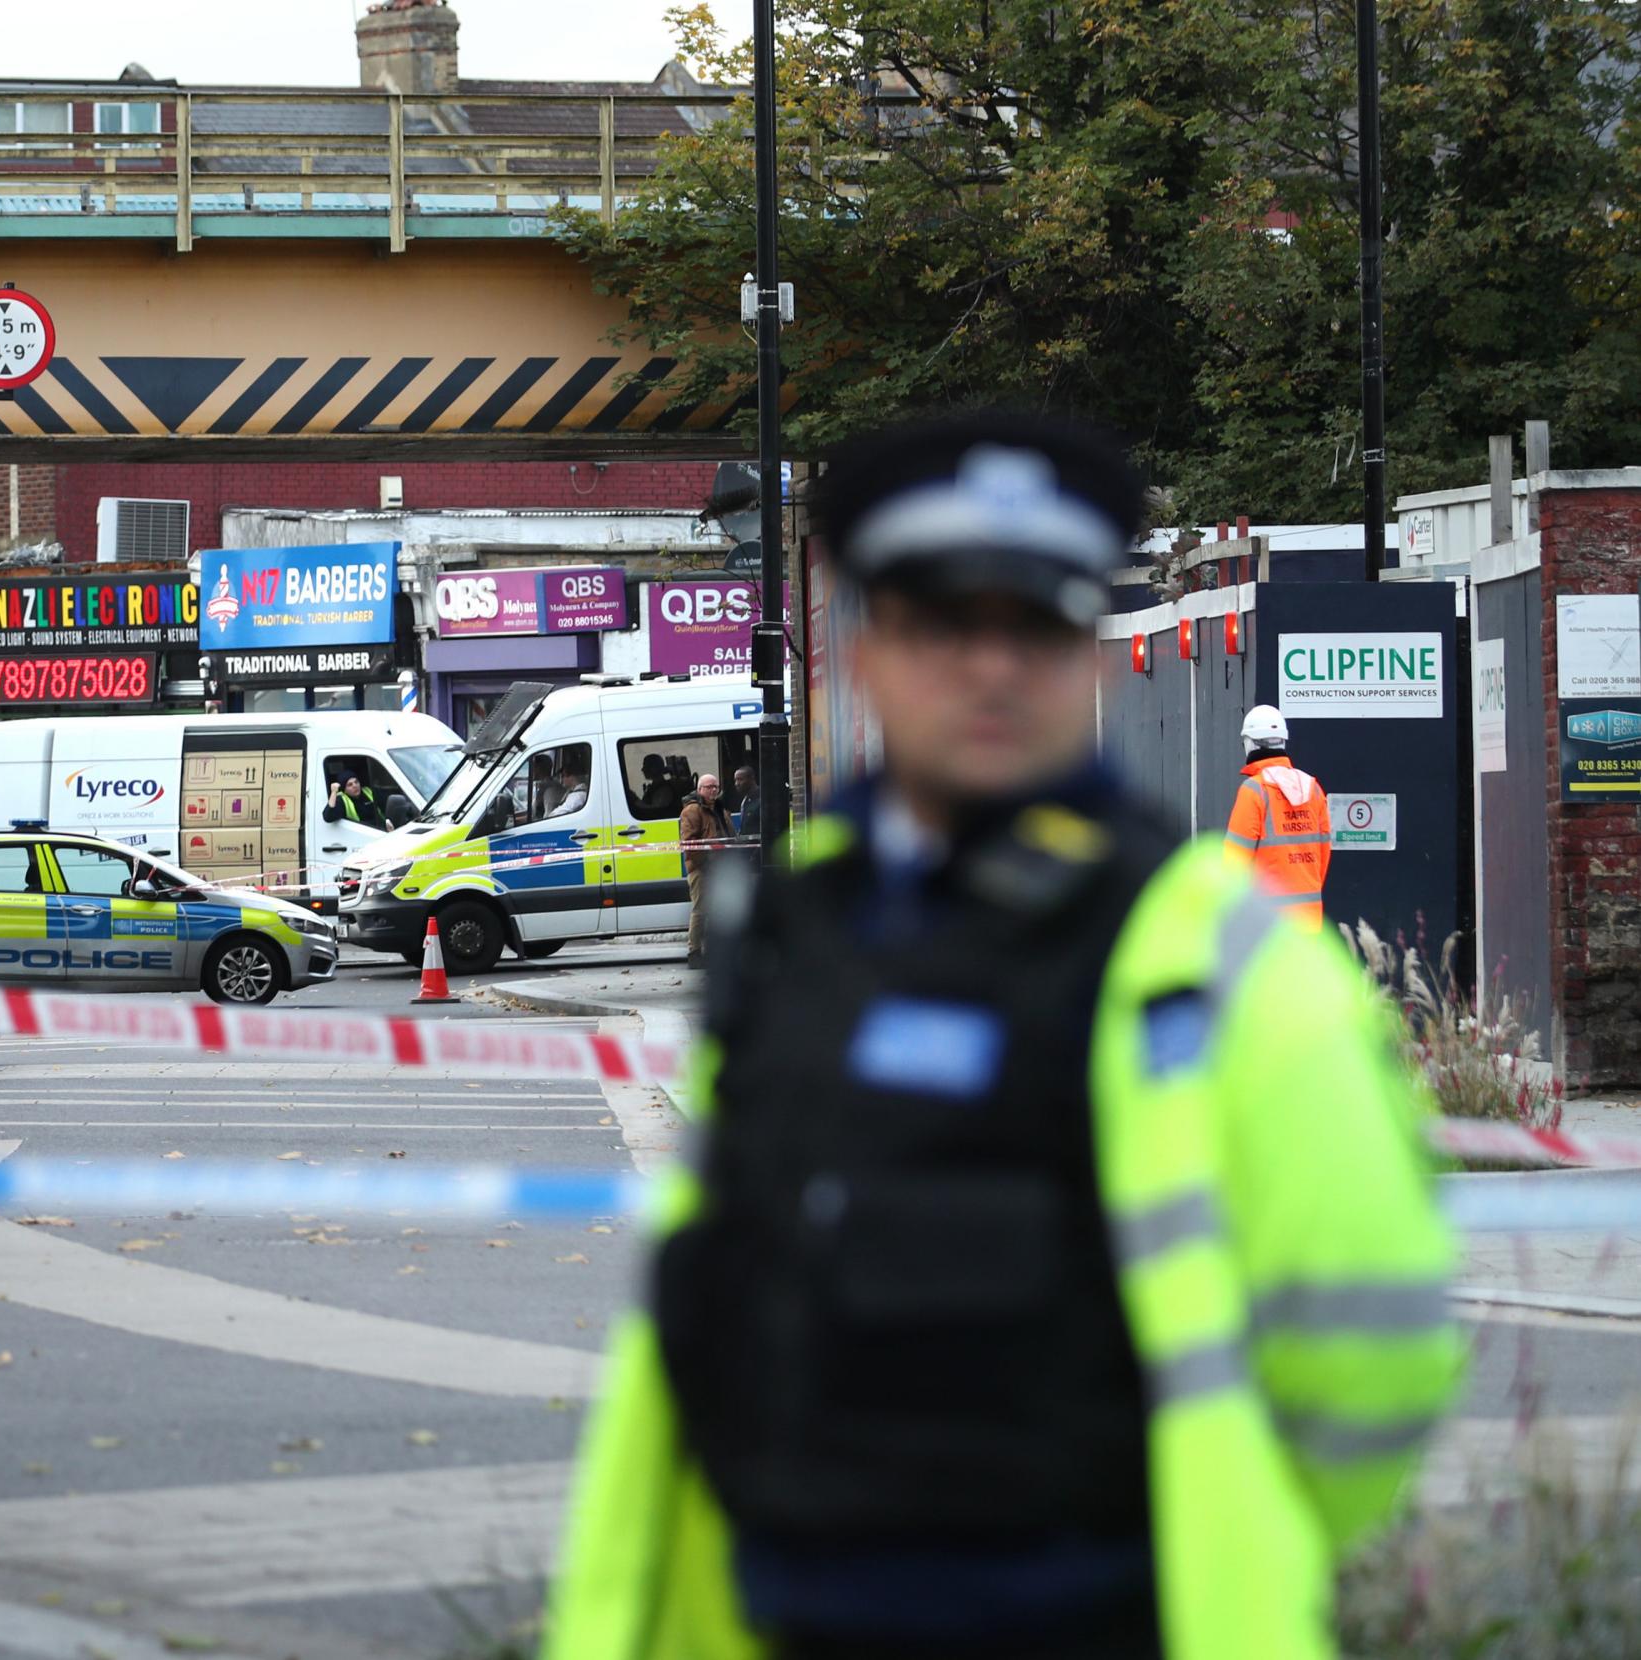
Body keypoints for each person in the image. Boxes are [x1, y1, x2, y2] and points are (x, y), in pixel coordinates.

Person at [544, 412, 1457, 1660]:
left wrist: (1224, 1535)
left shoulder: (1219, 963)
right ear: (863, 657)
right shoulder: (791, 936)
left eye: (1030, 625)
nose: (989, 667)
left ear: (1085, 656)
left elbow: (1374, 1368)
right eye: (939, 625)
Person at [1226, 704, 1331, 929]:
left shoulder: (1254, 791)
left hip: (1265, 925)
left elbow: (1234, 863)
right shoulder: (1313, 789)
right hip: (1309, 923)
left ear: (1250, 743)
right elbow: (1322, 858)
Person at [676, 773, 735, 966]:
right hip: (701, 867)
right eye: (709, 787)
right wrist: (708, 857)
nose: (713, 790)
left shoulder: (721, 809)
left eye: (716, 787)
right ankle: (694, 953)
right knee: (700, 910)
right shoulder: (692, 811)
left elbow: (730, 836)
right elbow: (690, 843)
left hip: (722, 868)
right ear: (700, 789)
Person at [728, 765, 761, 837]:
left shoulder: (761, 799)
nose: (737, 784)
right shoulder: (744, 799)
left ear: (751, 779)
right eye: (735, 780)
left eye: (740, 779)